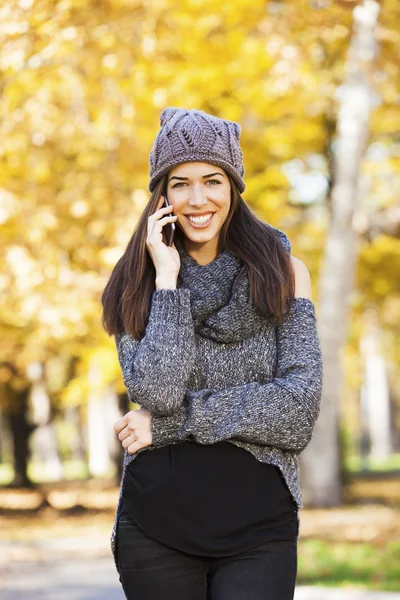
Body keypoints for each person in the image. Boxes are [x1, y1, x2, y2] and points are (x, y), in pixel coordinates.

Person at [101, 106, 323, 600]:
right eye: (179, 184)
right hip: (155, 529)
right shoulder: (134, 285)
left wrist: (170, 425)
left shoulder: (286, 273)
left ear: (234, 188)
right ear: (162, 196)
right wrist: (167, 282)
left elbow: (299, 409)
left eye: (212, 181)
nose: (197, 199)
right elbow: (157, 390)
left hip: (259, 527)